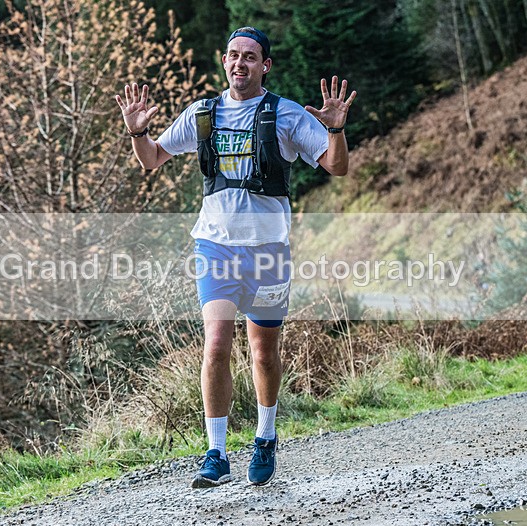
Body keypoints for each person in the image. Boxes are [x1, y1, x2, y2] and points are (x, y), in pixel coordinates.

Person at [115, 27, 355, 488]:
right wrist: (136, 131)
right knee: (217, 345)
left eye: (250, 57)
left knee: (264, 354)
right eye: (233, 56)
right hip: (215, 246)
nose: (240, 63)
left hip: (268, 250)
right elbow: (151, 159)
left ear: (265, 65)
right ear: (223, 63)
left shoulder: (284, 115)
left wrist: (336, 128)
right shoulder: (202, 113)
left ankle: (265, 437)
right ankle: (216, 452)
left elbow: (336, 165)